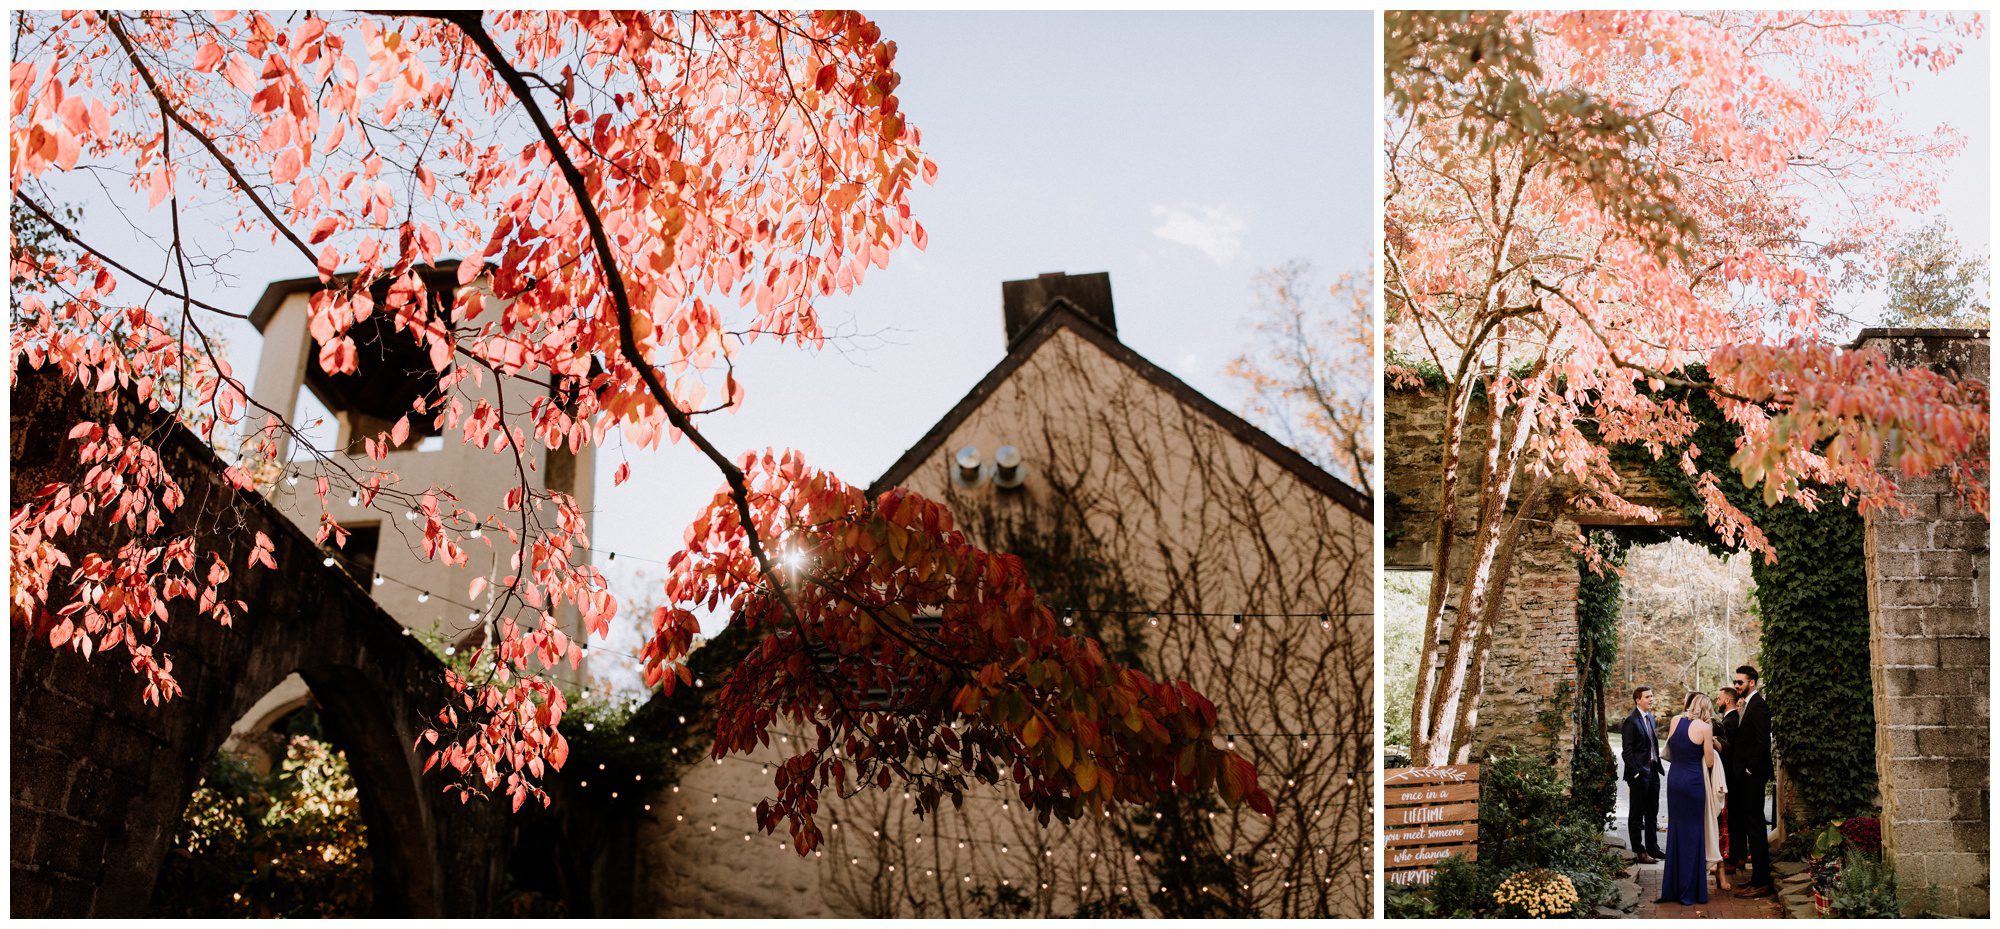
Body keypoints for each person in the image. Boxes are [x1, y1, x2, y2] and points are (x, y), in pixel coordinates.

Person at [1656, 692, 1720, 905]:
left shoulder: (1675, 720)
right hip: (1693, 781)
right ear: (1706, 708)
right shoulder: (1705, 728)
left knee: (1676, 831)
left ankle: (1672, 888)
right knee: (1694, 834)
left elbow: (1672, 749)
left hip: (1675, 779)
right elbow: (1710, 762)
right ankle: (1690, 890)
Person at [1731, 665, 1775, 898]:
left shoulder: (1759, 706)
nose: (1736, 685)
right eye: (1735, 682)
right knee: (1751, 826)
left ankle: (1761, 883)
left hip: (1753, 776)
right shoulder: (1746, 705)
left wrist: (1749, 769)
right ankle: (1756, 878)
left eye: (1740, 682)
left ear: (1752, 683)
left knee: (1756, 827)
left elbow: (1762, 742)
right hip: (1746, 776)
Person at [1621, 686, 1666, 863]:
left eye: (1652, 696)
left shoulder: (1651, 719)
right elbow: (1627, 751)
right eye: (1647, 696)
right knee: (1636, 815)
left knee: (1652, 813)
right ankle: (1639, 852)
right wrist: (1636, 773)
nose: (1651, 699)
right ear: (1637, 699)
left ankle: (1653, 849)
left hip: (1653, 771)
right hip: (1639, 774)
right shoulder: (1631, 721)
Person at [1714, 685, 1743, 872]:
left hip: (1731, 776)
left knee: (1733, 818)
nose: (1717, 701)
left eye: (1718, 698)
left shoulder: (1731, 721)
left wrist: (1715, 742)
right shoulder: (1730, 719)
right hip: (1731, 775)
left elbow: (1730, 749)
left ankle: (1734, 858)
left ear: (1727, 700)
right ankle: (1736, 856)